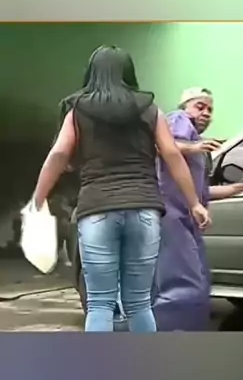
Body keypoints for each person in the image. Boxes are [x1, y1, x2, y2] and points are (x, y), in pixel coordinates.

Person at [31, 48, 210, 332]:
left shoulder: (78, 111)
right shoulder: (150, 109)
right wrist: (195, 203)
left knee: (100, 303)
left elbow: (59, 154)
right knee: (139, 303)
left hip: (97, 210)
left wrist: (37, 199)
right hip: (144, 210)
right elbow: (172, 154)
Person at [152, 87, 243, 331]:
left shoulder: (197, 146)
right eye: (199, 107)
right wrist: (193, 148)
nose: (206, 113)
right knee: (183, 283)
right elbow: (162, 146)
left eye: (210, 109)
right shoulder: (179, 120)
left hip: (186, 222)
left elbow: (202, 192)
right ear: (184, 108)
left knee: (195, 281)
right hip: (172, 218)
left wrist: (242, 186)